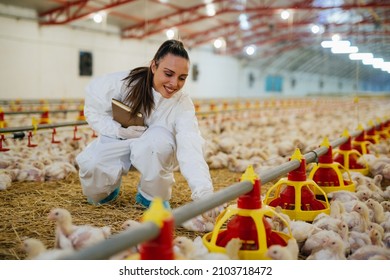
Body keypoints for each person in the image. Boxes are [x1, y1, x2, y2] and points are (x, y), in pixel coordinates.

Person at [76, 39, 220, 230]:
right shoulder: (123, 83)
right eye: (168, 74)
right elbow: (93, 110)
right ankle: (106, 188)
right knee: (94, 170)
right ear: (154, 66)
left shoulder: (181, 104)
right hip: (120, 137)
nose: (174, 83)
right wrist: (118, 130)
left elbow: (190, 146)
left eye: (182, 78)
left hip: (154, 147)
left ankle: (150, 194)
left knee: (158, 144)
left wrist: (204, 194)